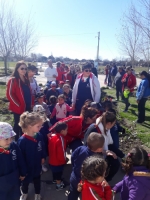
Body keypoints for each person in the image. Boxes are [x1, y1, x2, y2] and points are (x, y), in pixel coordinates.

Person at [68, 132, 105, 200]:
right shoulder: (96, 160)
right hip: (85, 183)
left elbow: (73, 157)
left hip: (74, 177)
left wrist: (74, 167)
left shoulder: (80, 148)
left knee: (72, 194)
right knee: (85, 194)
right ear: (99, 149)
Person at [18, 112, 45, 200]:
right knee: (25, 183)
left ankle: (37, 194)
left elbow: (42, 147)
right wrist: (22, 171)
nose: (41, 127)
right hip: (27, 168)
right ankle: (24, 193)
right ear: (30, 126)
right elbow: (20, 157)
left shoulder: (39, 136)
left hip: (37, 165)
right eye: (38, 126)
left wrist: (43, 156)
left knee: (37, 180)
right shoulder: (22, 141)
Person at [6, 61, 33, 140]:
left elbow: (29, 92)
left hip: (27, 107)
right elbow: (10, 94)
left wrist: (31, 103)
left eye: (25, 68)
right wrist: (18, 104)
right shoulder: (13, 80)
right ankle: (16, 142)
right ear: (17, 69)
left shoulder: (26, 79)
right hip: (19, 108)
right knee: (18, 125)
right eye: (22, 68)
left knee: (25, 125)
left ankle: (23, 141)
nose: (24, 70)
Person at [0, 122, 26, 200]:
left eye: (11, 138)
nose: (10, 141)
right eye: (6, 139)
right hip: (2, 183)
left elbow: (20, 159)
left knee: (15, 196)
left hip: (14, 179)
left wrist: (23, 173)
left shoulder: (13, 146)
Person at [96, 112, 120, 181]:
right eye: (113, 124)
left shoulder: (106, 128)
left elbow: (109, 143)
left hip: (104, 152)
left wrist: (121, 154)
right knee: (113, 164)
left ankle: (105, 179)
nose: (114, 125)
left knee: (116, 163)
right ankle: (102, 179)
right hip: (97, 155)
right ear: (109, 123)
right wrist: (105, 152)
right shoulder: (96, 130)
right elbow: (91, 148)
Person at [48, 122, 68, 190]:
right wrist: (64, 160)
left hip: (52, 160)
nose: (67, 131)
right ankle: (59, 186)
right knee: (59, 174)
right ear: (62, 131)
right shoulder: (60, 139)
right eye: (66, 130)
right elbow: (61, 152)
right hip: (58, 162)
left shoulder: (52, 137)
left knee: (55, 173)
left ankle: (55, 180)